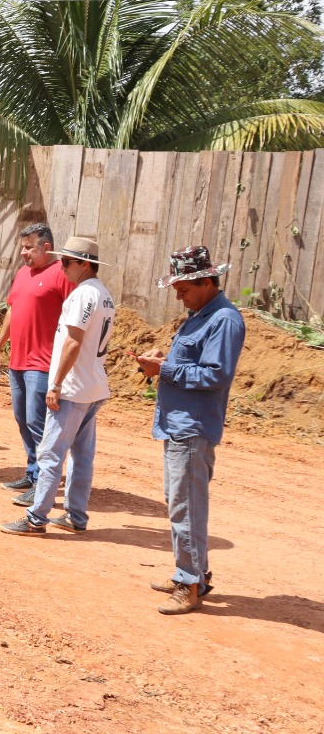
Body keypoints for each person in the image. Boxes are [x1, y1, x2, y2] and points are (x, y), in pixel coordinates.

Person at [133, 246, 247, 615]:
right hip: (179, 424)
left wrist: (164, 371)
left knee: (187, 507)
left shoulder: (223, 320)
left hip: (193, 427)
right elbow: (195, 364)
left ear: (206, 281)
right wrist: (164, 362)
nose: (178, 295)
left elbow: (216, 374)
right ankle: (193, 572)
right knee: (180, 503)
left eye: (183, 288)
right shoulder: (200, 314)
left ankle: (190, 583)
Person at [0, 238, 114, 537]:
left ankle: (37, 518)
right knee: (82, 456)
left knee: (51, 454)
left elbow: (73, 342)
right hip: (93, 385)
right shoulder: (104, 295)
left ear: (84, 264)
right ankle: (75, 515)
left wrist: (57, 384)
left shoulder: (82, 295)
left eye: (67, 262)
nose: (61, 267)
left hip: (73, 387)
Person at [0, 223, 74, 493]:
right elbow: (12, 310)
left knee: (39, 423)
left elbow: (74, 318)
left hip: (44, 363)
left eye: (28, 248)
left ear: (46, 247)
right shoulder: (23, 273)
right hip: (18, 362)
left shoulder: (62, 274)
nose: (23, 253)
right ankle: (34, 472)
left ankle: (45, 480)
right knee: (23, 419)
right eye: (21, 247)